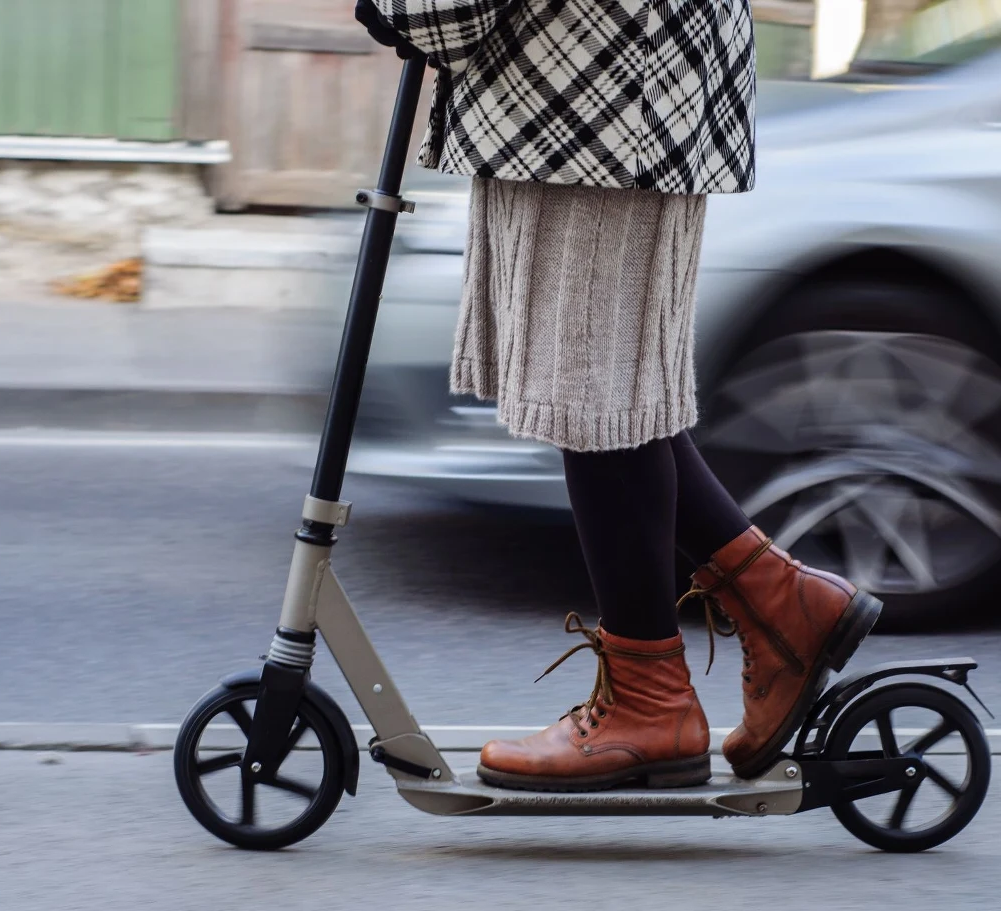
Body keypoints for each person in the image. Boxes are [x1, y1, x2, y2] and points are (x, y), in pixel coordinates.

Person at [356, 0, 881, 791]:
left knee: (595, 395)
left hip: (600, 91)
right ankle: (784, 603)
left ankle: (650, 701)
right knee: (614, 392)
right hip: (612, 85)